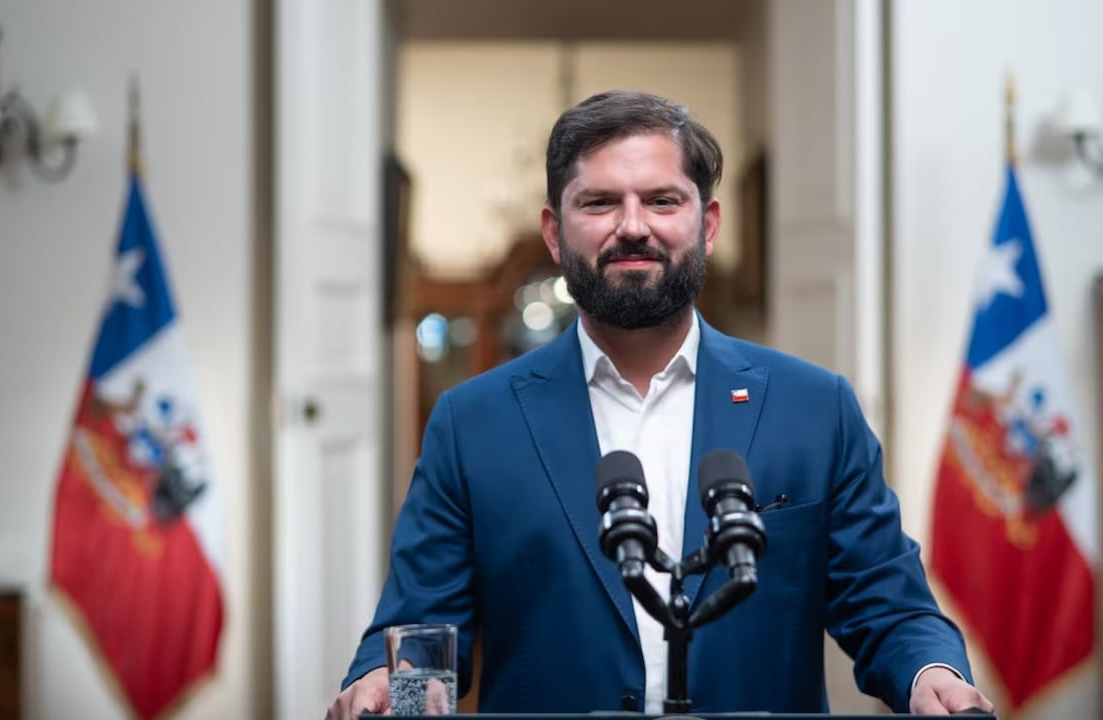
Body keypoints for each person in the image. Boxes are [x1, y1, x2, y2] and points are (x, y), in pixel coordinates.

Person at [327, 90, 994, 718]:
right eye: (599, 203)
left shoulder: (816, 408)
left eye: (662, 200)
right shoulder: (471, 423)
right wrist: (389, 685)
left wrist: (931, 675)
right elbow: (419, 626)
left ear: (706, 225)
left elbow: (888, 606)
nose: (633, 226)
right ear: (556, 235)